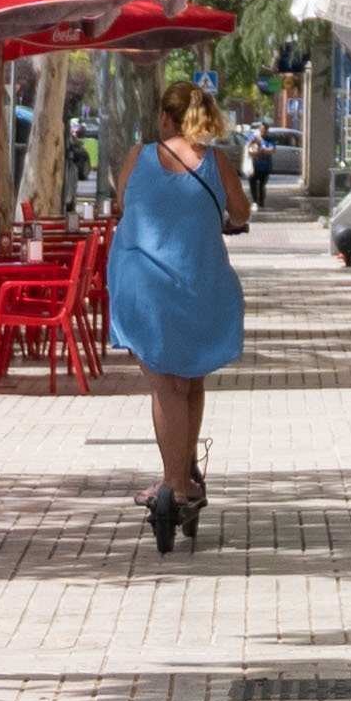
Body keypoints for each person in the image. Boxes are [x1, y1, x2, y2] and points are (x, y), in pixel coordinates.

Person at [108, 76, 251, 552]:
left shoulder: (139, 156)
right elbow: (241, 211)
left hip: (144, 287)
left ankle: (173, 482)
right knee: (189, 381)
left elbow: (122, 203)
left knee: (164, 384)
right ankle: (182, 479)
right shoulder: (215, 162)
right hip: (199, 285)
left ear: (166, 118)